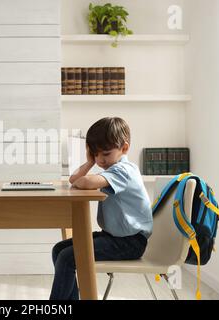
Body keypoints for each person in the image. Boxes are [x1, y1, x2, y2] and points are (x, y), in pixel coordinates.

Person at [50, 117, 153, 300]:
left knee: (67, 258)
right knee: (59, 250)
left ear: (125, 148)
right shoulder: (112, 170)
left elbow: (84, 182)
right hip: (114, 237)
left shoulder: (124, 171)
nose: (100, 160)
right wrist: (89, 163)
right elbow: (75, 181)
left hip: (130, 242)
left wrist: (90, 169)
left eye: (105, 154)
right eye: (95, 155)